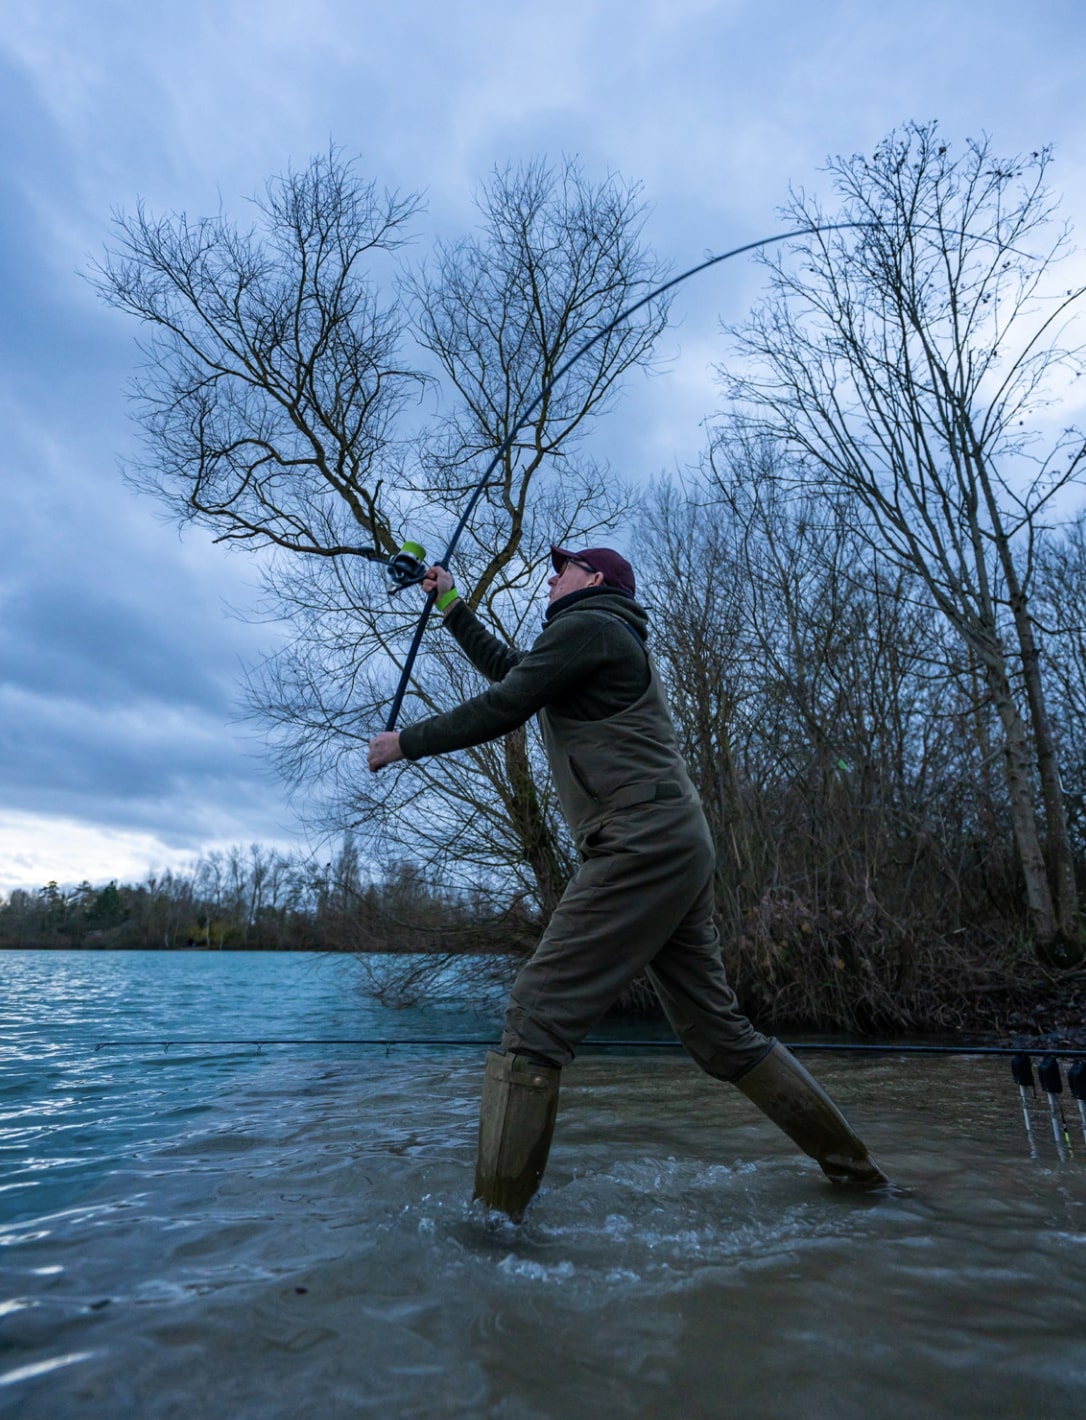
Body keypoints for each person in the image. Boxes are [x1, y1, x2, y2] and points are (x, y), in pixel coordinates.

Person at [368, 546, 888, 1220]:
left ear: (595, 580)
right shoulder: (591, 639)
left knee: (534, 1012)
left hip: (640, 842)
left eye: (563, 569)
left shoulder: (590, 626)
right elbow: (515, 673)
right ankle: (862, 1180)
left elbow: (506, 703)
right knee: (719, 1035)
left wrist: (404, 743)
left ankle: (493, 1231)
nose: (550, 578)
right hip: (673, 842)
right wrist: (450, 605)